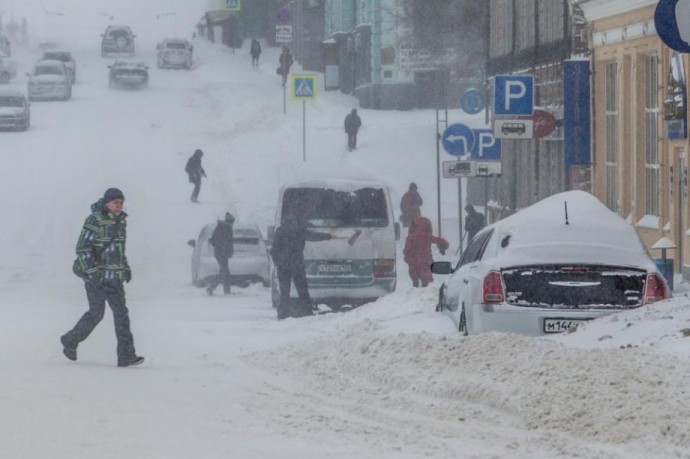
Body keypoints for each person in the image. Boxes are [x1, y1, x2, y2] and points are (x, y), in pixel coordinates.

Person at [62, 188, 144, 367]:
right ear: (106, 203)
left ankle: (126, 356)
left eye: (121, 202)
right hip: (96, 277)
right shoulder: (95, 220)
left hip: (114, 277)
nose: (119, 205)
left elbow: (118, 250)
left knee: (122, 315)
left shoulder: (121, 221)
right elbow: (83, 248)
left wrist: (125, 268)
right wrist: (92, 273)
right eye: (116, 202)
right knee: (96, 314)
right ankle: (70, 340)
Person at [269, 215, 333, 319]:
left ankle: (283, 314)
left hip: (283, 266)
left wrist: (278, 262)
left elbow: (273, 250)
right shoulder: (299, 231)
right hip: (297, 265)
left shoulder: (280, 231)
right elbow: (314, 236)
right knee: (302, 290)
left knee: (284, 291)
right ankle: (307, 311)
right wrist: (329, 236)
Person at [404, 216, 449, 288]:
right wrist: (443, 247)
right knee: (425, 280)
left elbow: (407, 249)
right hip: (425, 260)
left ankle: (415, 289)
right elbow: (440, 241)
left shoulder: (410, 237)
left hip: (413, 261)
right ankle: (424, 289)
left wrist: (407, 257)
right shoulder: (427, 236)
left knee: (415, 278)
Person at [207, 212, 235, 295]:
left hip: (222, 253)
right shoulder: (225, 228)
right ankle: (211, 288)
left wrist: (228, 251)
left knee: (225, 271)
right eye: (232, 222)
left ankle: (226, 290)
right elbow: (215, 240)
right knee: (224, 271)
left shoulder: (224, 228)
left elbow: (214, 240)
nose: (233, 224)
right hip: (221, 253)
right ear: (230, 221)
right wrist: (222, 247)